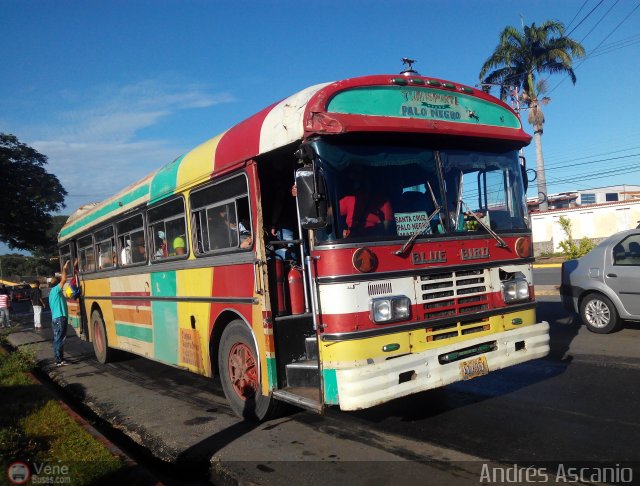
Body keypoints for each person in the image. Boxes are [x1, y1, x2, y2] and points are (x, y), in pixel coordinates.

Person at [339, 169, 393, 238]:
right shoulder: (349, 200)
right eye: (359, 182)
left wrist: (378, 229)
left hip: (374, 241)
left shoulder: (383, 203)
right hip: (350, 241)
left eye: (364, 181)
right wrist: (342, 230)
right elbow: (331, 213)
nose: (360, 185)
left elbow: (387, 232)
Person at [48, 260, 71, 366]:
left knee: (58, 338)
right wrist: (65, 269)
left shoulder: (52, 293)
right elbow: (64, 279)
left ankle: (59, 359)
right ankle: (59, 360)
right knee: (59, 339)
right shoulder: (56, 290)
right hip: (59, 318)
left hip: (56, 318)